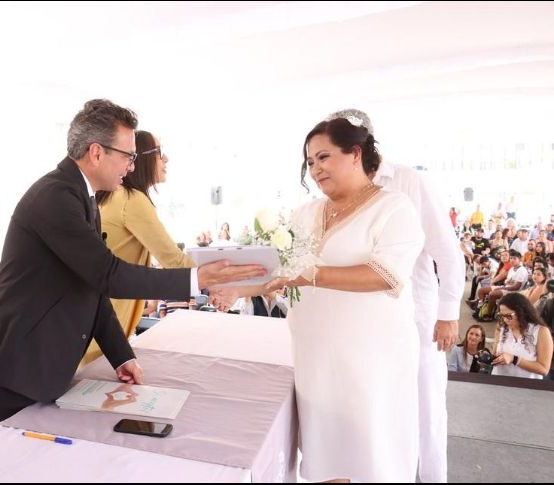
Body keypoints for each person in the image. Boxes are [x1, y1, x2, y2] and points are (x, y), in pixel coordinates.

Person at [0, 99, 264, 430]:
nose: (132, 167)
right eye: (128, 156)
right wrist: (195, 279)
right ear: (96, 153)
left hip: (44, 363)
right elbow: (109, 275)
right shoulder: (55, 196)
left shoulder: (83, 196)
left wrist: (121, 354)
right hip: (17, 365)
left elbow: (92, 288)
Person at [214, 116, 424, 481]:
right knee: (325, 453)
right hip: (315, 355)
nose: (315, 169)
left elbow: (385, 275)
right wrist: (236, 289)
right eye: (310, 162)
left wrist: (313, 275)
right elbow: (280, 272)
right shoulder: (306, 212)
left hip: (370, 359)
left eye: (324, 157)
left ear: (355, 153)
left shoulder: (394, 208)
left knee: (372, 452)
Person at [328, 109, 464, 483]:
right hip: (361, 323)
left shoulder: (407, 181)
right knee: (376, 414)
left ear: (360, 148)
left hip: (416, 319)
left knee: (426, 413)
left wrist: (448, 314)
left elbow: (448, 253)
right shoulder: (336, 187)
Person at [82, 130, 195, 364]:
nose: (166, 159)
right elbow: (174, 261)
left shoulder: (114, 197)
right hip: (103, 327)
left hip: (95, 322)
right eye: (160, 153)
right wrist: (219, 280)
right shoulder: (132, 200)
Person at [491, 293, 553, 379]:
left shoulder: (541, 332)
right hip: (500, 381)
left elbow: (544, 369)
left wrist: (514, 359)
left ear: (522, 312)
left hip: (527, 386)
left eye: (509, 316)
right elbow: (495, 354)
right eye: (501, 316)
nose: (505, 320)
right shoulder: (501, 327)